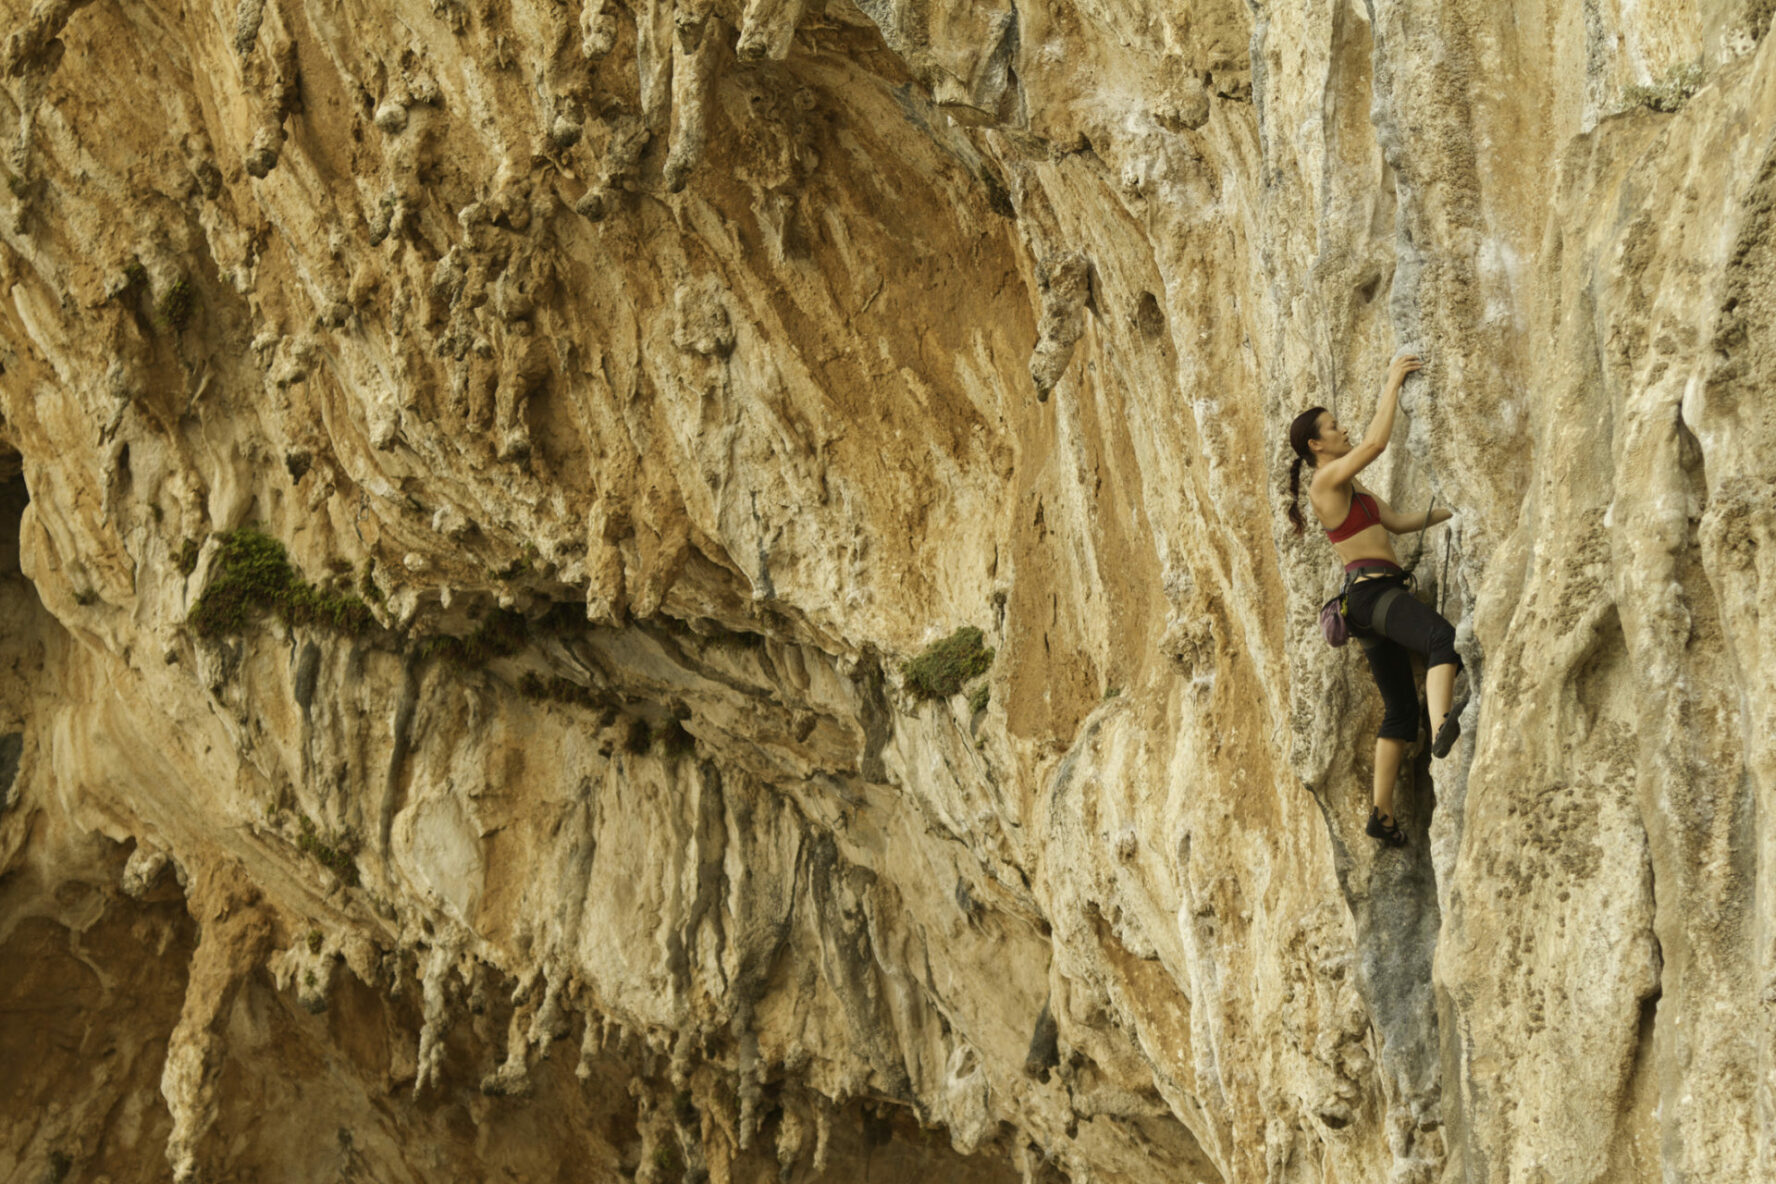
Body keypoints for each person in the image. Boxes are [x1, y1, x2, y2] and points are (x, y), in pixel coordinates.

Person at [1286, 354, 1461, 848]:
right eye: (1333, 427)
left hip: (1368, 603)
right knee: (1441, 638)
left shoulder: (1352, 486)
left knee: (1400, 712)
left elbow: (1399, 523)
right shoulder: (1325, 482)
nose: (1342, 430)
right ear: (1316, 445)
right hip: (1370, 595)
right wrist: (1392, 381)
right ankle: (1444, 725)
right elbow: (1376, 444)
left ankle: (1381, 815)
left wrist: (1456, 509)